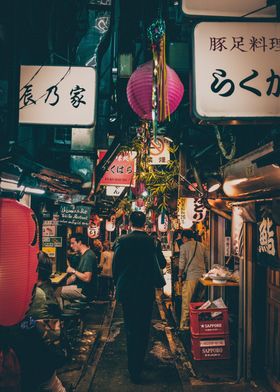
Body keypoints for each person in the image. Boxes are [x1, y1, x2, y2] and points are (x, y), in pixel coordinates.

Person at [112, 211, 165, 384]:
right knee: (143, 328)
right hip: (145, 290)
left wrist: (117, 283)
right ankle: (139, 364)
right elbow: (161, 263)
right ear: (145, 223)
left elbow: (116, 265)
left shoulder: (122, 241)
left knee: (130, 328)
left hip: (127, 290)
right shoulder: (152, 241)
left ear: (130, 223)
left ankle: (132, 367)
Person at [56, 233, 98, 309]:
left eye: (73, 243)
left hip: (85, 291)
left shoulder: (88, 256)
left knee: (56, 292)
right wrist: (65, 283)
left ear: (80, 242)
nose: (71, 246)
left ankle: (60, 317)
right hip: (84, 288)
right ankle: (69, 312)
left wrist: (73, 271)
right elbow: (75, 276)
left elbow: (87, 278)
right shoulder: (85, 254)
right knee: (61, 290)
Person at [178, 229, 208, 331]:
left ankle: (184, 325)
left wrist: (179, 275)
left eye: (182, 239)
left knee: (187, 302)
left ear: (185, 238)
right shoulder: (202, 246)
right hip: (203, 278)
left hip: (190, 278)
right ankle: (197, 325)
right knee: (200, 302)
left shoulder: (183, 247)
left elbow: (182, 263)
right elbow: (206, 261)